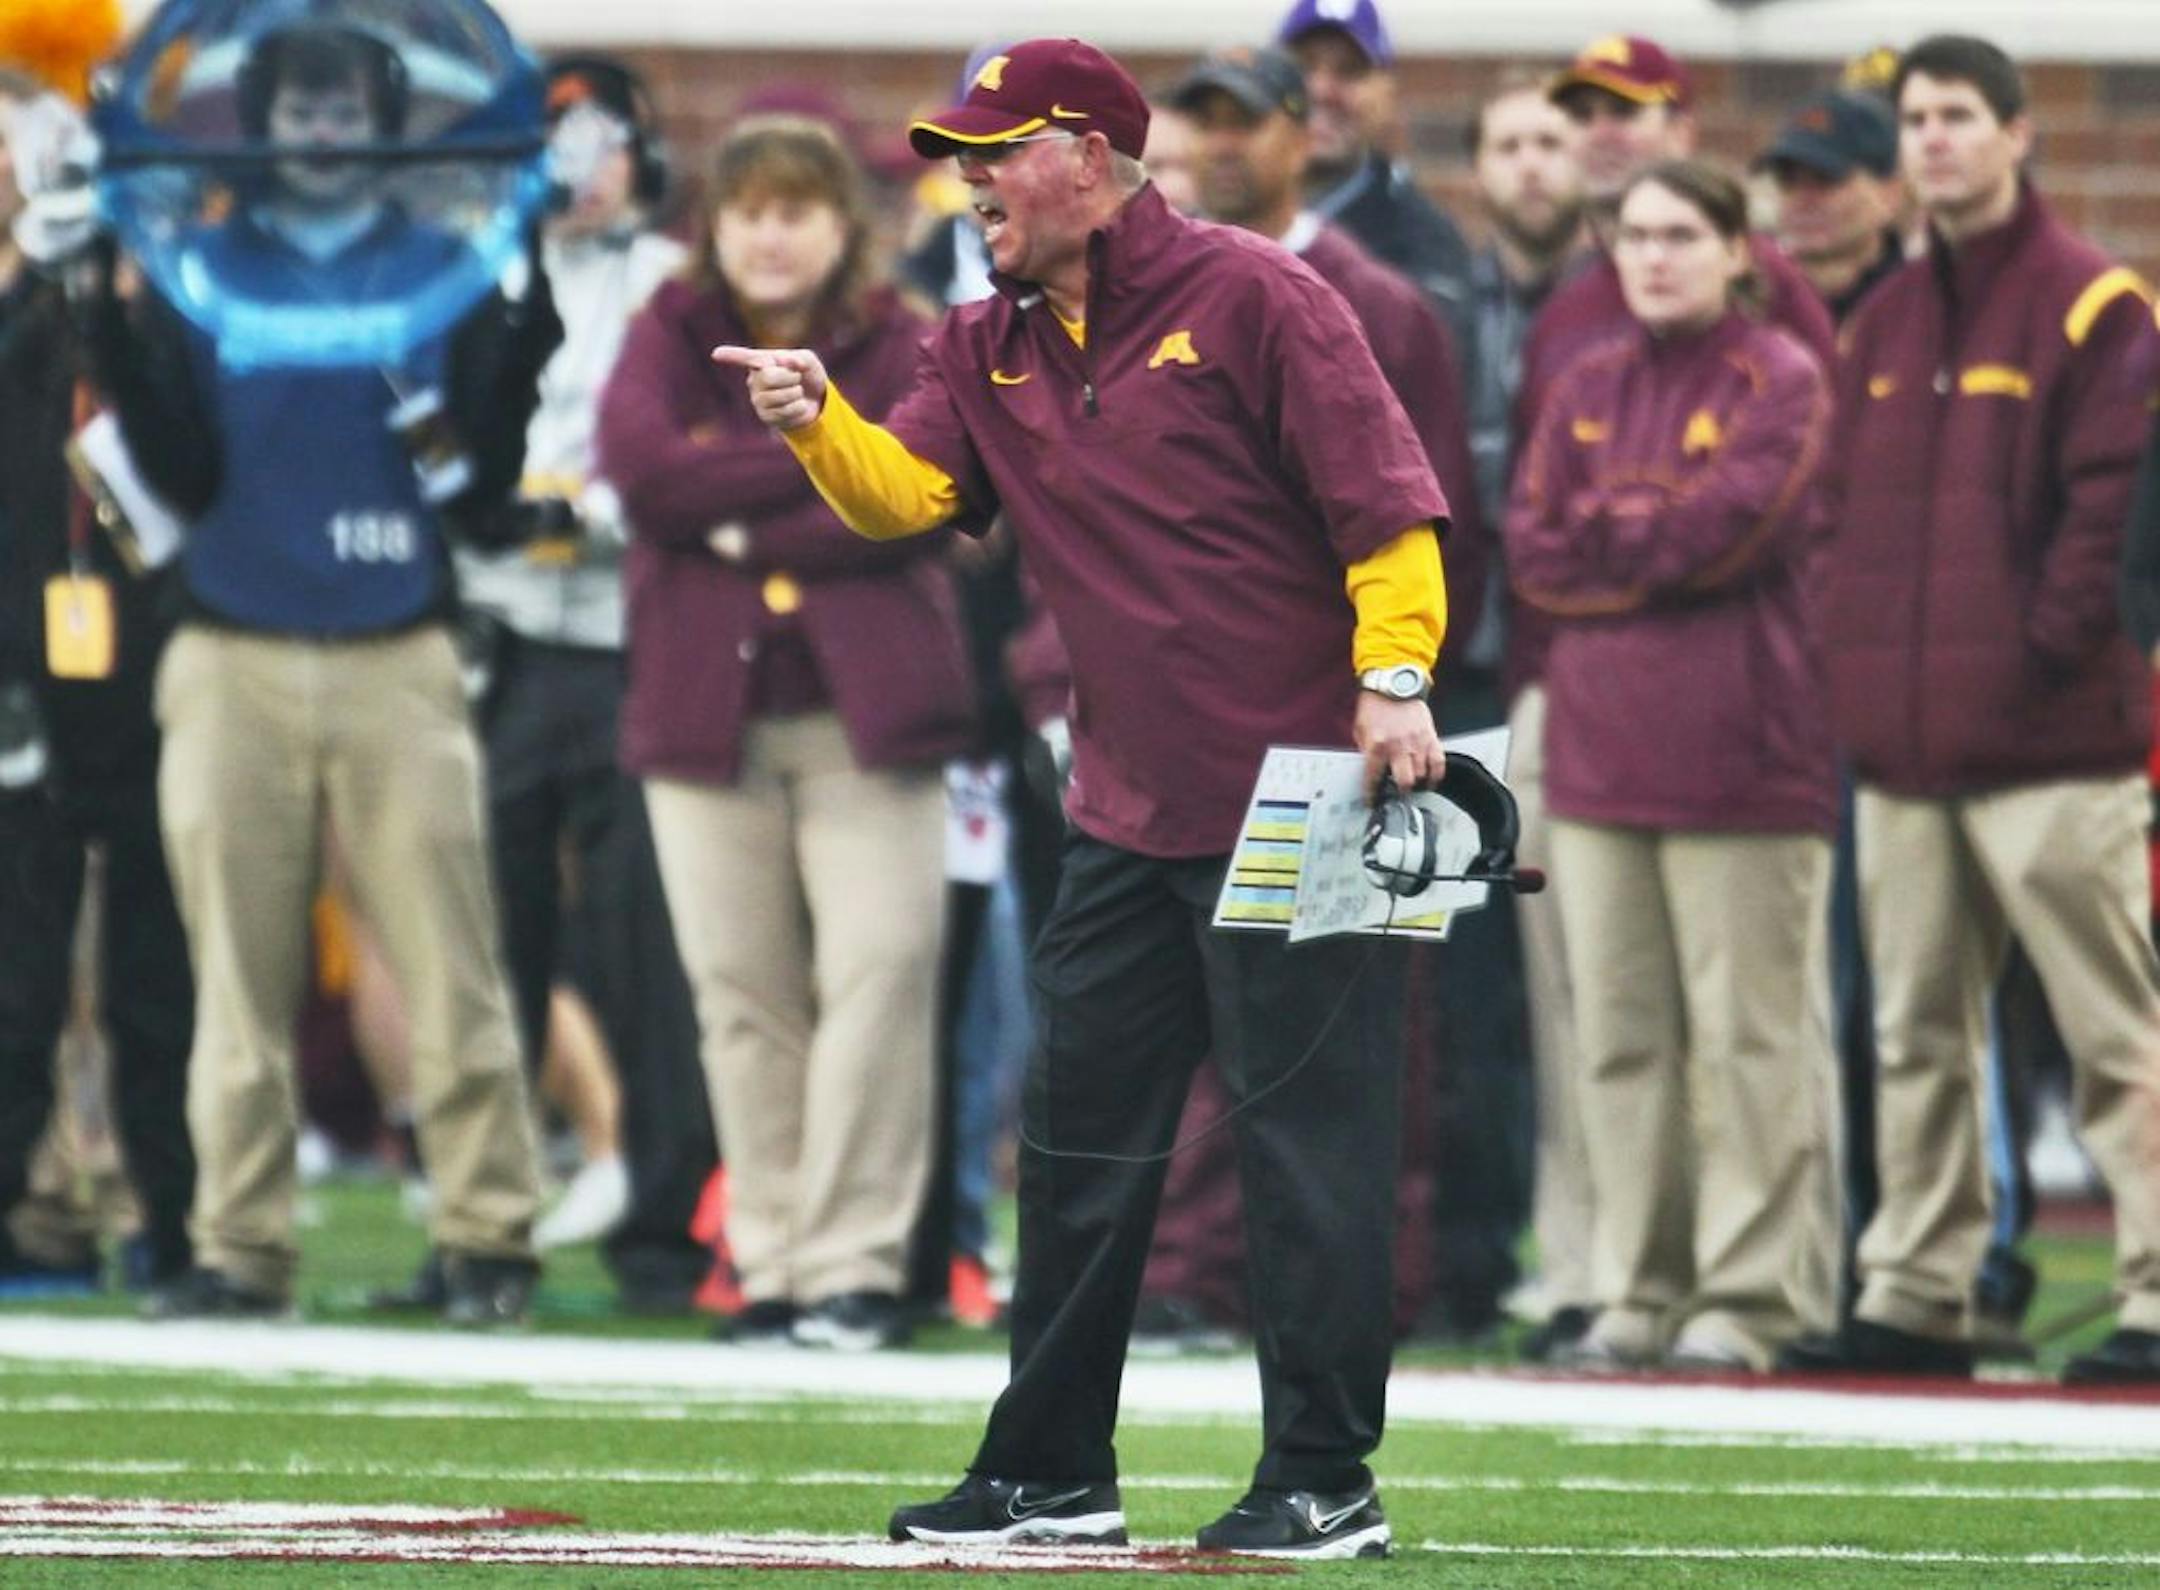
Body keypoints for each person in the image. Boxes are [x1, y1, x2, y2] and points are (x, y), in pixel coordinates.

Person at [717, 37, 1449, 1558]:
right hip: (1124, 806)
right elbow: (906, 500)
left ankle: (1326, 1473)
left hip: (1303, 793)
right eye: (958, 152)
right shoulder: (981, 342)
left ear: (1094, 154)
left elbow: (1387, 506)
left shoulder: (1258, 294)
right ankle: (1050, 1467)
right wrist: (815, 423)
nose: (968, 178)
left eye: (995, 148)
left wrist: (1397, 678)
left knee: (1308, 1147)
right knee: (1078, 1146)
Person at [90, 20, 555, 1324]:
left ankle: (487, 1235)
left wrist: (522, 325)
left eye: (343, 98)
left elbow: (483, 477)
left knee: (449, 960)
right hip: (229, 643)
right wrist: (107, 316)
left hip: (399, 642)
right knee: (236, 972)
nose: (319, 124)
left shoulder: (442, 267)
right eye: (296, 102)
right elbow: (172, 469)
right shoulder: (202, 265)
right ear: (260, 117)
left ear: (386, 111)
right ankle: (238, 1243)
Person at [1785, 35, 2160, 1386]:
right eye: (1918, 120)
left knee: (2113, 1035)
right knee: (1915, 1036)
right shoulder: (1877, 325)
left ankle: (2153, 1291)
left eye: (1958, 116)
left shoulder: (2096, 306)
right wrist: (1859, 672)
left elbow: (2115, 521)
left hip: (2054, 749)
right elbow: (1830, 521)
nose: (1934, 139)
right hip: (1904, 755)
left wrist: (2028, 665)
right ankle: (1918, 1284)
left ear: (2018, 133)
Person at [598, 114, 977, 1352]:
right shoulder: (664, 329)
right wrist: (814, 459)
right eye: (748, 209)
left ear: (840, 228)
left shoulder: (903, 338)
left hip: (869, 720)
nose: (769, 235)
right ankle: (768, 1265)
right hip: (707, 718)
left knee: (880, 978)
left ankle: (856, 1266)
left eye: (795, 209)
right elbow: (641, 474)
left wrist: (735, 506)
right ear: (716, 225)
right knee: (742, 998)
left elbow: (915, 503)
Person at [1507, 158, 1840, 1371]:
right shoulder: (1586, 381)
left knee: (1747, 1046)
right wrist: (1644, 527)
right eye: (1635, 235)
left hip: (1745, 757)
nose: (1652, 256)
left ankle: (1746, 1300)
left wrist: (1618, 531)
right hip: (1597, 762)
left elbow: (1734, 531)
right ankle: (1636, 1289)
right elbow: (1532, 550)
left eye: (1681, 234)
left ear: (1737, 251)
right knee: (1620, 1038)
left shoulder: (1784, 376)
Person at [449, 54, 711, 1304]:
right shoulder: (468, 277)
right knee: (489, 931)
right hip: (497, 631)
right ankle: (481, 1218)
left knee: (641, 935)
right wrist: (473, 497)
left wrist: (605, 506)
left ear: (643, 153)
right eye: (552, 139)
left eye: (600, 138)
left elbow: (697, 447)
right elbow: (425, 426)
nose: (577, 165)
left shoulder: (676, 287)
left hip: (628, 633)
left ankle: (661, 1224)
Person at [0, 67, 195, 1293]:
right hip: (20, 678)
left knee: (154, 974)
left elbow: (179, 450)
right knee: (18, 970)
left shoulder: (132, 295)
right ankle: (28, 1203)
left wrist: (109, 283)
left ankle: (168, 1217)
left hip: (146, 661)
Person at [1450, 66, 1592, 1349]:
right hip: (1448, 674)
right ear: (1479, 165)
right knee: (1460, 993)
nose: (1533, 165)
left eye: (1554, 141)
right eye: (1511, 143)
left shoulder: (1616, 300)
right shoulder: (1446, 294)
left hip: (1566, 671)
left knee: (1577, 995)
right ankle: (1468, 1250)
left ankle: (1584, 1262)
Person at [1275, 0, 1473, 345]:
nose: (1322, 91)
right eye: (1303, 66)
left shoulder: (1423, 243)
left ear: (1388, 94)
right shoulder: (1223, 215)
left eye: (1349, 70)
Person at [1759, 89, 1905, 322]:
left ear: (1889, 194)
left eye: (1825, 179)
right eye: (1787, 180)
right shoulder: (1745, 303)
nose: (1802, 199)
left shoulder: (1922, 305)